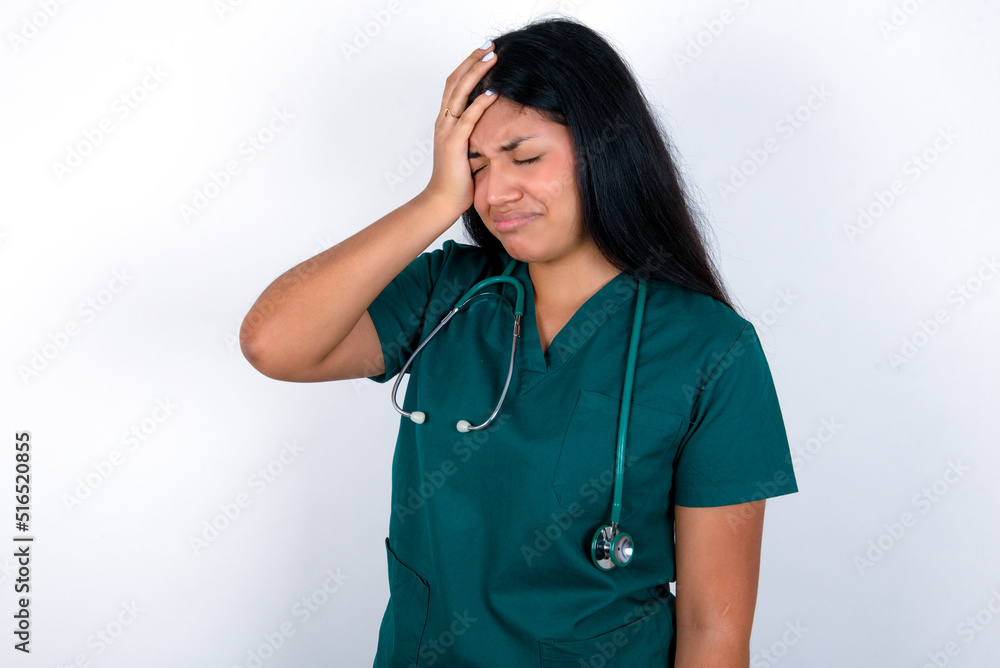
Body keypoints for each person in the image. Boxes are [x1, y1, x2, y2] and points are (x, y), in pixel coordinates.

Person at [240, 17, 797, 667]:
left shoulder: (711, 351)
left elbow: (714, 631)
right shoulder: (445, 295)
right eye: (475, 165)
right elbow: (273, 343)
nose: (496, 192)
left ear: (604, 146)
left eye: (525, 157)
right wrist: (435, 200)